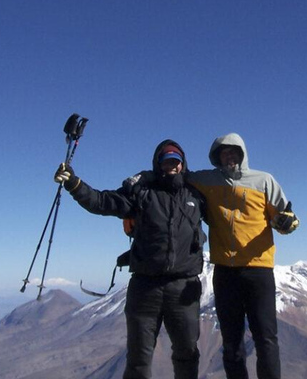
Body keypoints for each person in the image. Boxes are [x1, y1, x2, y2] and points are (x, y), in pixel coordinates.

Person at [54, 139, 206, 379]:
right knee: (138, 358)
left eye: (176, 162)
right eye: (167, 162)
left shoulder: (196, 194)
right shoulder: (142, 192)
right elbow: (102, 202)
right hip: (145, 287)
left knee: (187, 353)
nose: (172, 167)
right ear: (158, 164)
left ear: (182, 164)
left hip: (184, 286)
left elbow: (227, 213)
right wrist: (74, 184)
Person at [187, 133, 298, 379]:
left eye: (234, 151)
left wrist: (286, 223)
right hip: (225, 271)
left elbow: (286, 216)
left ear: (243, 154)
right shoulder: (206, 180)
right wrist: (143, 177)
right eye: (224, 152)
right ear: (217, 157)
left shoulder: (264, 181)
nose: (230, 156)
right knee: (231, 343)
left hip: (258, 270)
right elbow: (176, 174)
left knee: (266, 339)